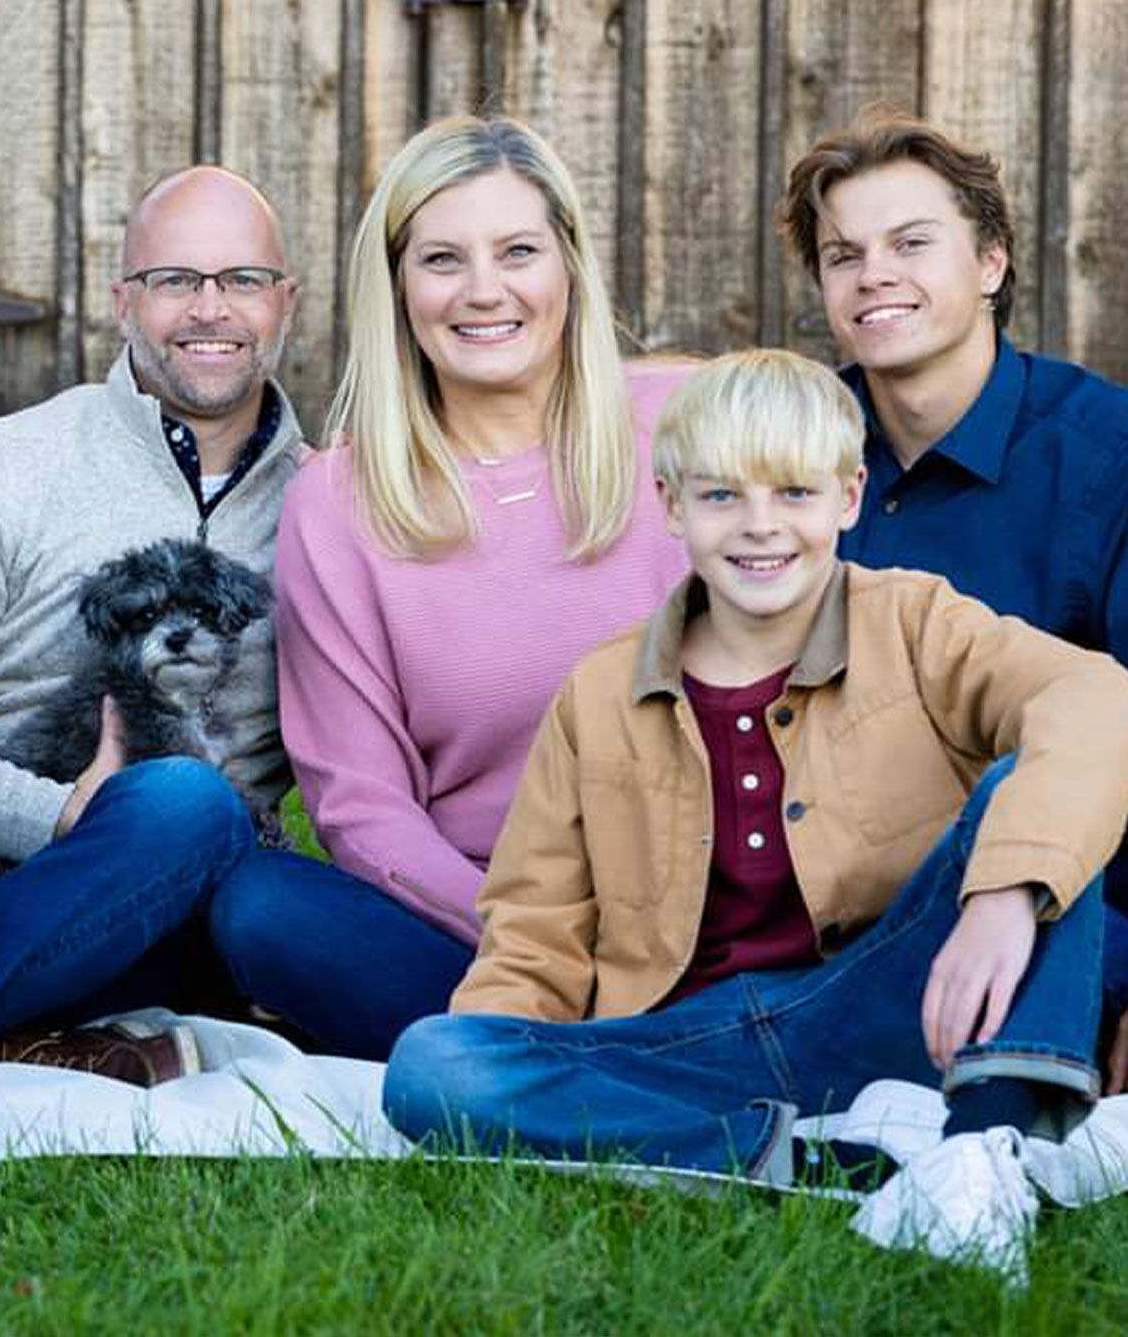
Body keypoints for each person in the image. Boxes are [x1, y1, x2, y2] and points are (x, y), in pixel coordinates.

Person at [385, 350, 1128, 1269]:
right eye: (721, 496)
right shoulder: (600, 692)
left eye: (794, 493)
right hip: (692, 1043)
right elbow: (535, 927)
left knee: (1043, 786)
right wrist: (499, 1059)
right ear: (669, 504)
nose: (760, 526)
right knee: (433, 1062)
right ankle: (807, 1158)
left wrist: (1006, 891)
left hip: (887, 1007)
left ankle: (980, 1151)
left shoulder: (914, 620)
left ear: (849, 497)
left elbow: (1098, 699)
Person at [206, 116, 691, 1061]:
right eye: (441, 259)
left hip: (701, 898)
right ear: (395, 288)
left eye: (517, 252)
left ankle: (565, 1057)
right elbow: (358, 805)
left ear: (568, 268)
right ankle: (593, 1050)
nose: (483, 291)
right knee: (261, 907)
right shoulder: (336, 502)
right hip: (480, 924)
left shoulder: (677, 424)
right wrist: (534, 941)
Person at [0, 165, 306, 1078]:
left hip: (208, 914)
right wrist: (61, 815)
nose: (209, 308)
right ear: (123, 301)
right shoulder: (4, 463)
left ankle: (60, 1042)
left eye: (241, 280)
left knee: (290, 907)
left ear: (285, 302)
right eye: (174, 280)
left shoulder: (327, 505)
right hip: (9, 895)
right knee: (180, 799)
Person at [777, 113, 1128, 1086]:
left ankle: (1003, 1109)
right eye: (843, 254)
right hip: (838, 911)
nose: (872, 274)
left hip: (1065, 903)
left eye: (909, 243)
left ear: (988, 262)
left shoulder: (1103, 455)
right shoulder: (791, 452)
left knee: (1028, 765)